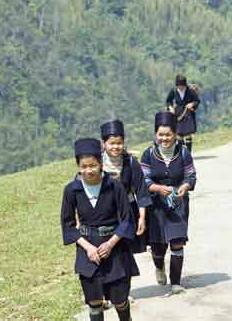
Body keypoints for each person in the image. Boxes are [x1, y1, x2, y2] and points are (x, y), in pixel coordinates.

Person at [61, 138, 138, 321]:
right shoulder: (72, 190)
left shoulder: (114, 186)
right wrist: (88, 248)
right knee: (94, 302)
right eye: (84, 166)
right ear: (78, 166)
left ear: (101, 163)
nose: (89, 170)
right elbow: (68, 225)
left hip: (115, 249)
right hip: (88, 252)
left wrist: (111, 244)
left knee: (120, 300)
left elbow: (127, 220)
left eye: (93, 165)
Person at [140, 112, 197, 295]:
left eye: (168, 134)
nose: (164, 138)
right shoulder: (148, 154)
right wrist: (157, 188)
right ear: (155, 134)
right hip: (156, 206)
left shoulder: (184, 152)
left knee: (177, 242)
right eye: (160, 134)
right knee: (158, 246)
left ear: (175, 134)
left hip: (178, 204)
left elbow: (191, 175)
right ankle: (159, 267)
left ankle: (176, 283)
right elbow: (143, 180)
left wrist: (185, 187)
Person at [100, 119, 152, 254]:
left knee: (127, 252)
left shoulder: (131, 162)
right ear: (103, 144)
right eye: (111, 143)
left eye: (119, 143)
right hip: (104, 214)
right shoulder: (97, 163)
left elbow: (141, 191)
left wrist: (141, 218)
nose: (115, 147)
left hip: (128, 212)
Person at [166, 74, 200, 153]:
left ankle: (188, 153)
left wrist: (192, 104)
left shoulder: (190, 91)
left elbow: (197, 101)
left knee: (188, 134)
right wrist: (170, 108)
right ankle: (183, 152)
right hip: (178, 114)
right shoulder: (173, 91)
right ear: (176, 85)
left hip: (188, 113)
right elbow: (168, 101)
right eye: (179, 86)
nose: (181, 88)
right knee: (179, 135)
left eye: (182, 86)